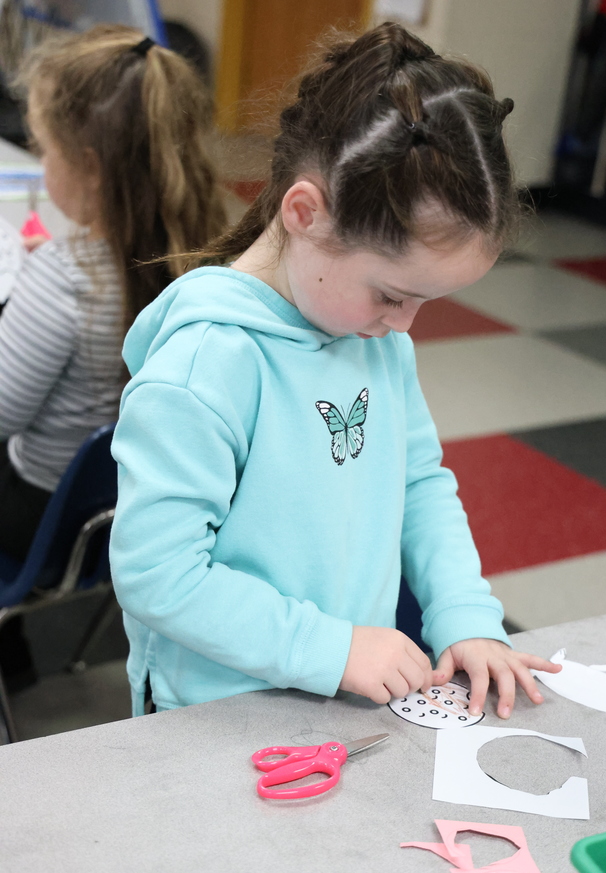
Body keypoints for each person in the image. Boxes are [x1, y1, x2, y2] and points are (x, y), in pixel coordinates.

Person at [110, 22, 561, 718]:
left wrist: (466, 614)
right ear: (303, 212)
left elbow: (418, 482)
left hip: (339, 693)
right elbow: (158, 575)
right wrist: (331, 648)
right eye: (391, 293)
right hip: (219, 709)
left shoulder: (371, 334)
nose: (405, 325)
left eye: (424, 301)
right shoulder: (206, 365)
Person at [0, 26, 229, 691]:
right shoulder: (206, 249)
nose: (41, 167)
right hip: (140, 506)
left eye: (45, 150)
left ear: (90, 168)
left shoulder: (67, 278)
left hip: (42, 515)